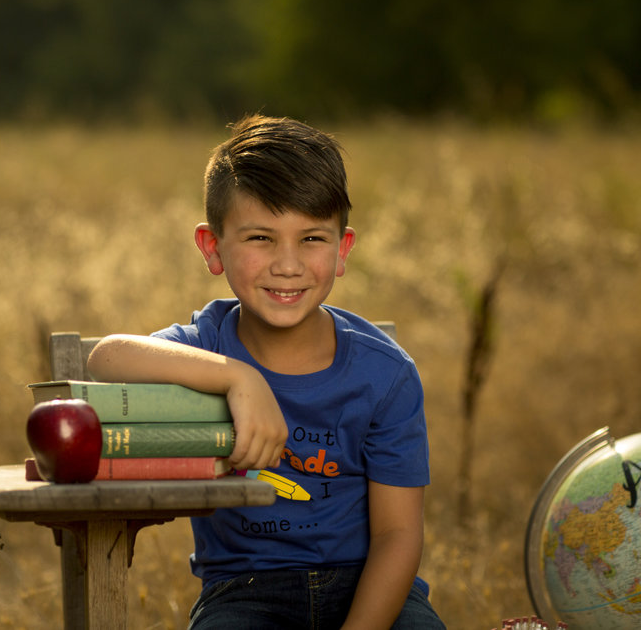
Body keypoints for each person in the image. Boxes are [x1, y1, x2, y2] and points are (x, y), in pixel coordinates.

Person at [86, 114, 445, 629]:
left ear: (342, 250)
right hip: (246, 593)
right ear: (213, 247)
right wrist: (239, 378)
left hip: (370, 587)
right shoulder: (207, 344)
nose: (288, 264)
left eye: (312, 239)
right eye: (261, 238)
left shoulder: (384, 375)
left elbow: (398, 536)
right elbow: (107, 357)